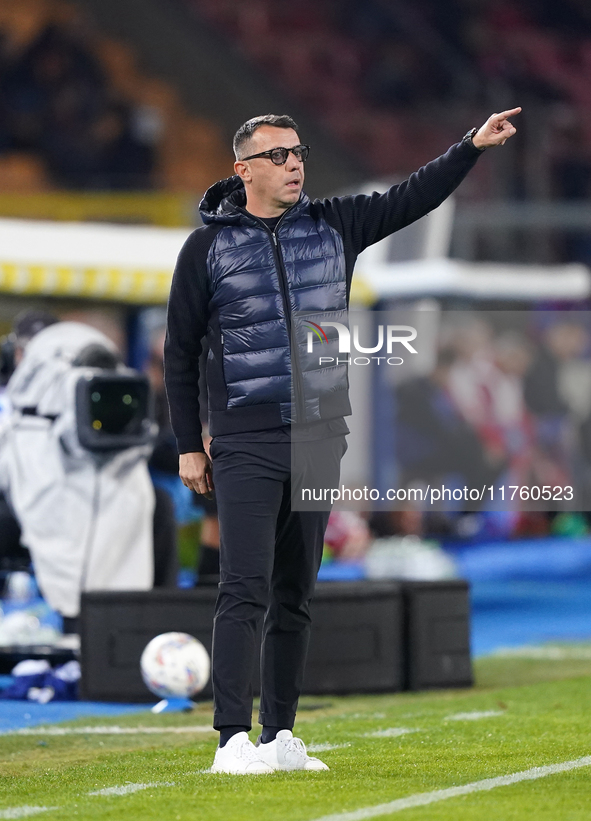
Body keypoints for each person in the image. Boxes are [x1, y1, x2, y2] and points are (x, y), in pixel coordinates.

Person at [164, 109, 520, 774]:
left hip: (319, 436)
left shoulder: (336, 225)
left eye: (298, 152)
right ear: (242, 170)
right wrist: (190, 443)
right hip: (242, 437)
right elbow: (180, 351)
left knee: (296, 590)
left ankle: (280, 736)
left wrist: (468, 147)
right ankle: (230, 741)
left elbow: (410, 197)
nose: (294, 164)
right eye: (277, 156)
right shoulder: (204, 250)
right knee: (244, 586)